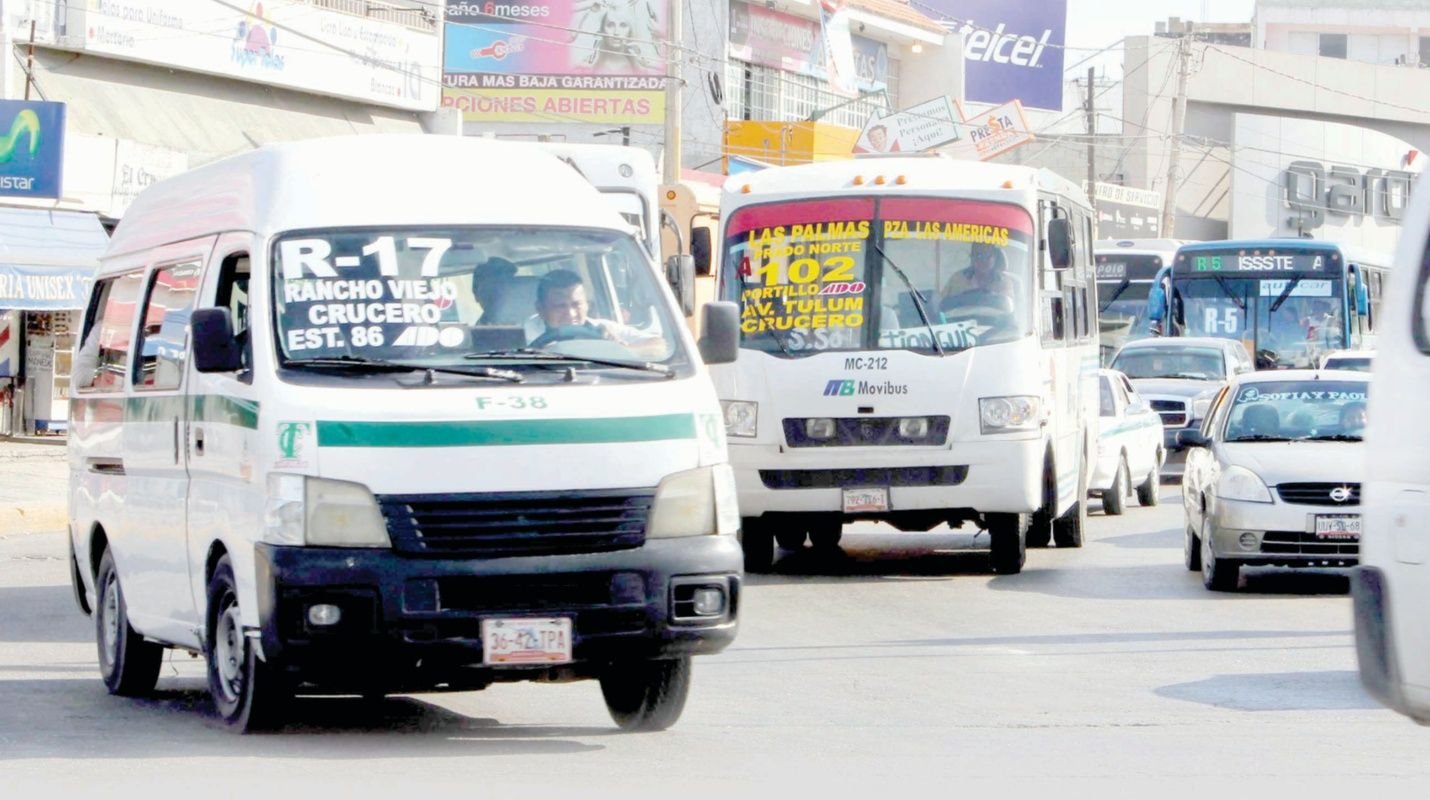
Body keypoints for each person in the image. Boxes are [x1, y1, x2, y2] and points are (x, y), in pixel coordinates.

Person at [524, 269, 663, 354]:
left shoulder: (602, 328)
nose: (571, 314)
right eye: (560, 306)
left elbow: (661, 346)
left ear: (587, 305)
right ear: (540, 309)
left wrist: (621, 349)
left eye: (576, 305)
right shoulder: (525, 333)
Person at [940, 243, 1014, 306]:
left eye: (987, 256)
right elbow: (941, 305)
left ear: (995, 258)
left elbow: (1012, 312)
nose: (983, 261)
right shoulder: (957, 279)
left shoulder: (1004, 283)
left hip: (995, 322)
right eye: (978, 256)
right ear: (972, 258)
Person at [471, 256, 518, 323]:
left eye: (503, 285)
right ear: (475, 293)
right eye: (492, 289)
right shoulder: (469, 333)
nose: (499, 292)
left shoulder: (533, 326)